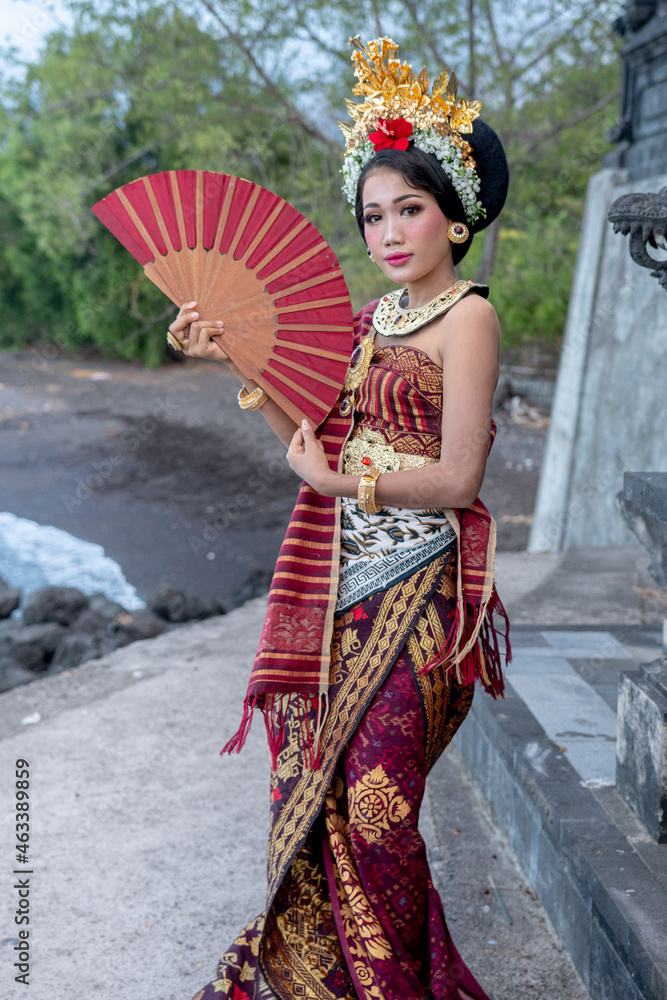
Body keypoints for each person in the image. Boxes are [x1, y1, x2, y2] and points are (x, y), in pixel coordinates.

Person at [170, 36, 511, 1000]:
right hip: (335, 594)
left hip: (420, 593)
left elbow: (453, 478)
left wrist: (346, 489)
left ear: (454, 215)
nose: (390, 232)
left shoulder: (466, 316)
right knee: (318, 800)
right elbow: (311, 433)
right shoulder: (368, 326)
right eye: (373, 216)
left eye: (409, 209)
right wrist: (233, 360)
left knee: (374, 806)